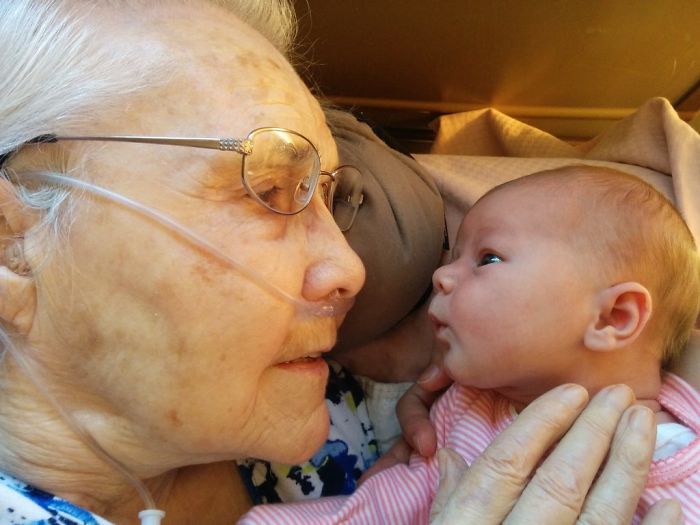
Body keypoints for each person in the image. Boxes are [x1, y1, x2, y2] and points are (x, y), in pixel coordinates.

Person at [0, 1, 686, 523]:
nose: (350, 267)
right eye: (269, 186)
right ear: (11, 242)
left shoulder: (352, 388)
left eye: (328, 194)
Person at [239, 165, 700, 524]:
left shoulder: (677, 474)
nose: (441, 274)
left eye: (489, 258)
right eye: (455, 254)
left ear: (613, 317)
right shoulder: (484, 386)